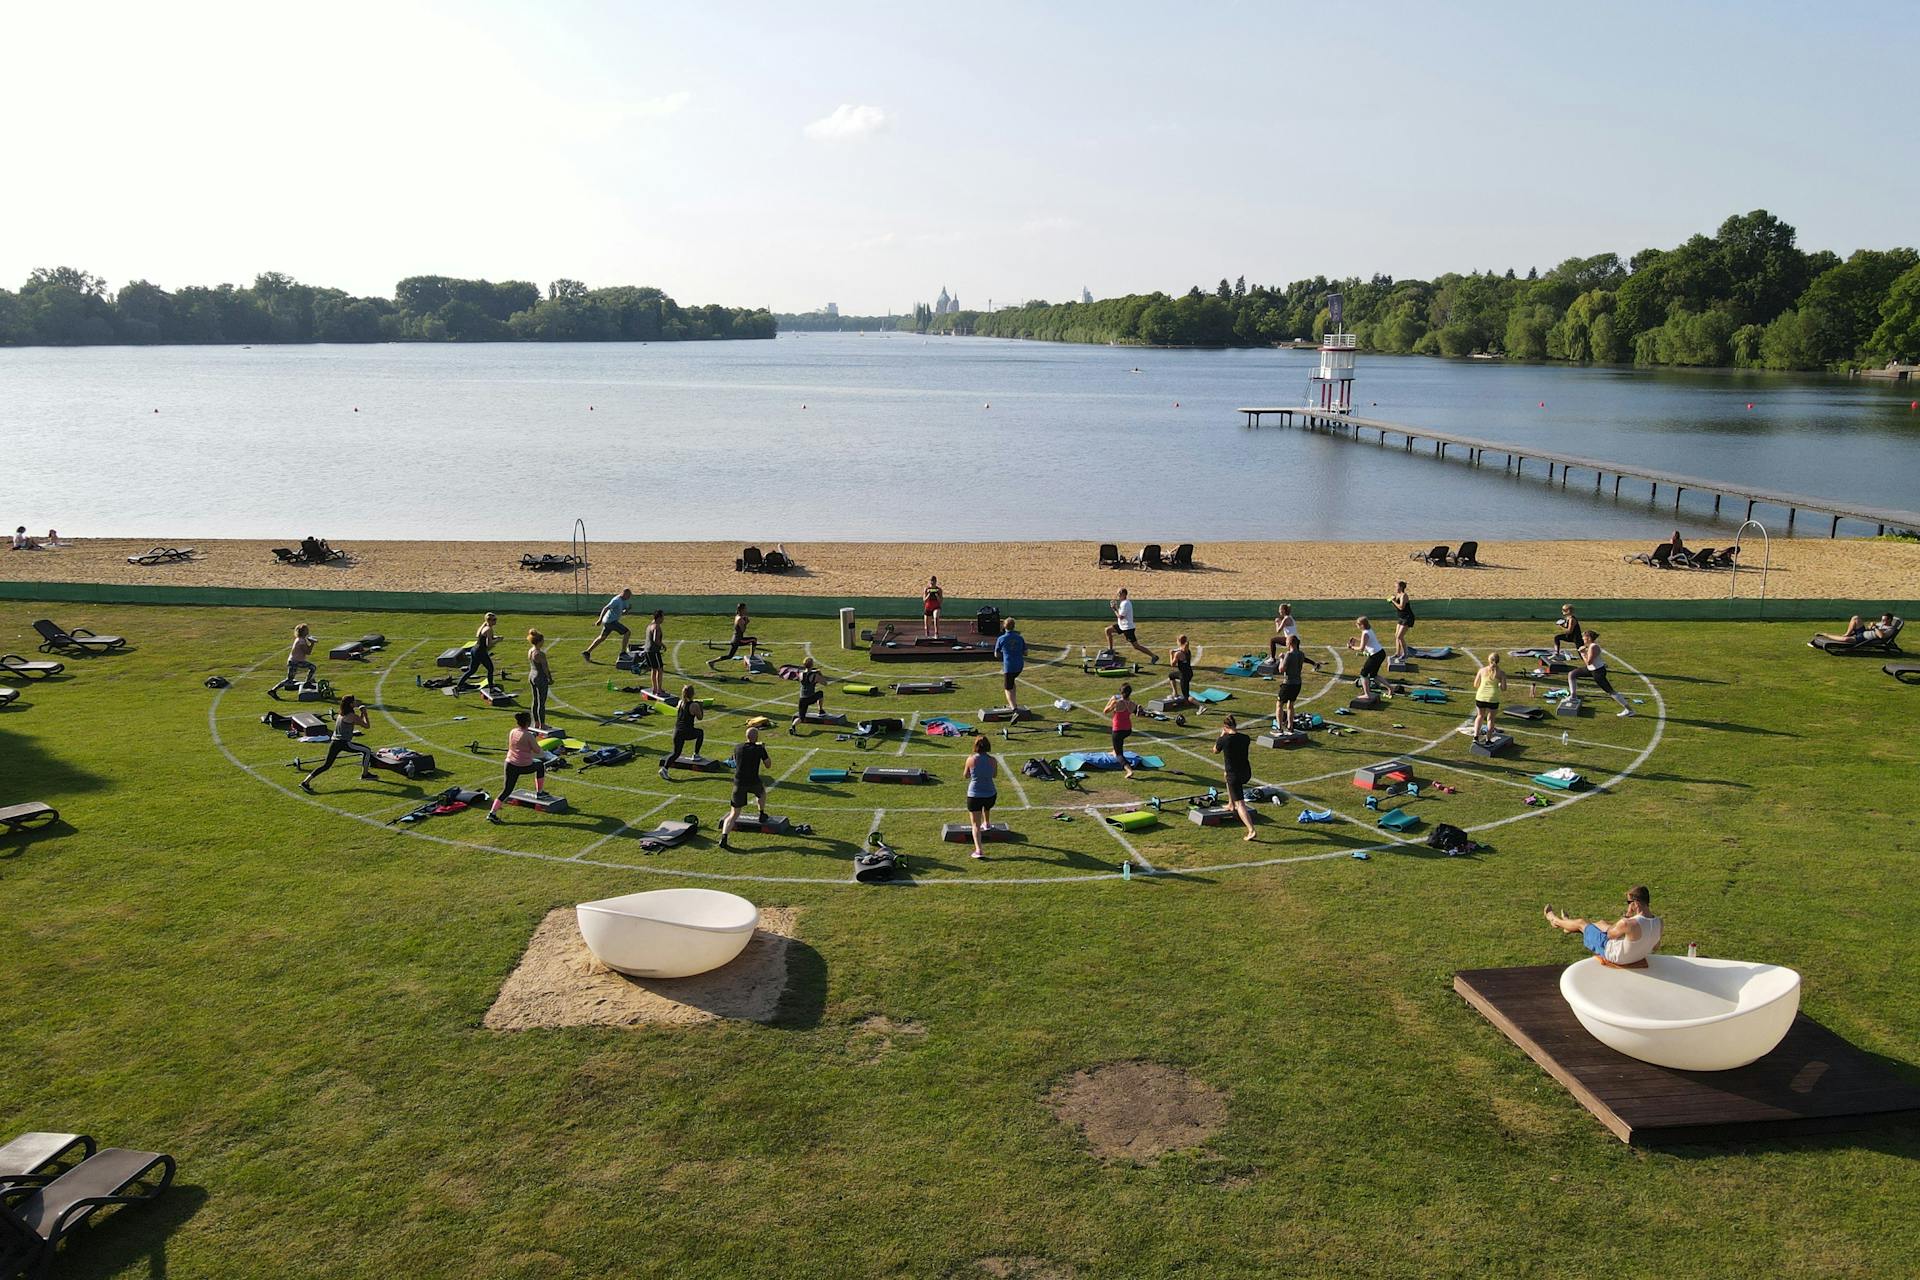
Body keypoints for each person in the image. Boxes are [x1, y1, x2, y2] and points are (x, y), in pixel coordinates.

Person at [1544, 887, 1663, 968]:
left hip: (1613, 954)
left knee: (1581, 923)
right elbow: (1655, 947)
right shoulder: (1659, 922)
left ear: (1636, 904)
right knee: (1601, 923)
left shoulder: (1628, 923)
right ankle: (1568, 925)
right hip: (1636, 955)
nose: (1628, 905)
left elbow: (1609, 935)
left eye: (1628, 902)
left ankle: (1554, 920)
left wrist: (1627, 916)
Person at [300, 695, 376, 792]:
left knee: (326, 765)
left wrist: (360, 714)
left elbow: (356, 722)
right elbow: (366, 726)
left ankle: (305, 782)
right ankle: (365, 775)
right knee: (367, 751)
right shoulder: (352, 716)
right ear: (351, 704)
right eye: (354, 701)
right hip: (344, 743)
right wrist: (365, 713)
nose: (356, 702)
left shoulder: (341, 714)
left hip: (335, 742)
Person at [486, 711, 546, 823]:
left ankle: (492, 813)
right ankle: (540, 792)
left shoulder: (513, 731)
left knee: (506, 790)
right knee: (540, 765)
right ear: (528, 722)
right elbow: (538, 751)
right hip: (523, 765)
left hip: (510, 764)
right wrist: (534, 740)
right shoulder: (528, 736)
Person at [719, 727, 771, 850]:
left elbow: (735, 759)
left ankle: (724, 837)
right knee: (762, 793)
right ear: (756, 737)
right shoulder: (759, 749)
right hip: (753, 781)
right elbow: (768, 765)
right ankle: (761, 814)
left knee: (733, 814)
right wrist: (763, 749)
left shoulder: (737, 747)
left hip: (739, 782)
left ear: (746, 736)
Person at [1212, 715, 1258, 841]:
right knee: (1225, 774)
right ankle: (1230, 804)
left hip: (1235, 776)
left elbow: (1215, 750)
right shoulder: (1246, 738)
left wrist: (1221, 736)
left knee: (1241, 805)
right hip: (1246, 772)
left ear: (1225, 727)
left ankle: (1251, 830)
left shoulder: (1224, 740)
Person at [1568, 629, 1634, 716]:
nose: (1583, 640)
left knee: (1610, 691)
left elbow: (1588, 662)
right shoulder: (1590, 646)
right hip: (1591, 669)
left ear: (1588, 638)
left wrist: (1583, 653)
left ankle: (1629, 710)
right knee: (1572, 674)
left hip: (1597, 672)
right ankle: (1573, 696)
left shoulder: (1593, 647)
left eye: (1584, 638)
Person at [962, 735, 998, 859]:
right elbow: (994, 775)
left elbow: (965, 775)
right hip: (990, 793)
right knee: (987, 807)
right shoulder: (993, 760)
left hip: (974, 795)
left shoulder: (970, 759)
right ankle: (987, 823)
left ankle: (979, 850)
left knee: (975, 825)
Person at [1273, 634, 1319, 730]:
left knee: (1279, 704)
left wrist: (1281, 658)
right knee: (1290, 705)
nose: (1285, 643)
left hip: (1288, 683)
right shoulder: (1301, 654)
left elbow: (1281, 669)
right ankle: (1290, 726)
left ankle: (1279, 727)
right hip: (1297, 683)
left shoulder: (1289, 654)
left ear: (1290, 643)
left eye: (1286, 642)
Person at [661, 684, 705, 776]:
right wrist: (701, 706)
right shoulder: (694, 705)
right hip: (687, 732)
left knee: (676, 753)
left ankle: (664, 769)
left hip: (677, 731)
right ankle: (696, 754)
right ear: (693, 693)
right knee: (700, 733)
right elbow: (700, 717)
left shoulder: (680, 702)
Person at [581, 588, 633, 662]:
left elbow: (622, 612)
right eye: (628, 596)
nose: (629, 597)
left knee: (602, 637)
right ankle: (623, 653)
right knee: (627, 632)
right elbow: (605, 608)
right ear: (624, 594)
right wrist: (599, 620)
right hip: (611, 621)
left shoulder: (624, 601)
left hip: (609, 621)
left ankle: (587, 652)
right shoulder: (616, 600)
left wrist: (627, 610)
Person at [1103, 682, 1141, 779]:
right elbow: (1136, 712)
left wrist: (1111, 700)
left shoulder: (1117, 702)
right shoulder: (1133, 704)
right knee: (1118, 743)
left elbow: (1105, 711)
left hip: (1118, 730)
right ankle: (1114, 750)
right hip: (1128, 730)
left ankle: (1128, 770)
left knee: (1119, 754)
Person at [708, 603, 759, 670]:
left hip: (734, 639)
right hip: (739, 640)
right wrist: (746, 623)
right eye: (745, 608)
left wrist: (745, 619)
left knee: (729, 656)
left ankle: (711, 662)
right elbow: (742, 630)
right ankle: (752, 656)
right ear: (742, 609)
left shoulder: (737, 616)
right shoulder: (740, 619)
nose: (746, 610)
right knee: (754, 639)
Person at [1107, 588, 1154, 660]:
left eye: (1119, 594)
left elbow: (1121, 617)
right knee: (1108, 630)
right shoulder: (1123, 603)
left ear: (1124, 594)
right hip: (1122, 626)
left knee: (1136, 646)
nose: (1118, 595)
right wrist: (1116, 607)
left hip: (1127, 628)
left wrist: (1114, 609)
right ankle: (1110, 650)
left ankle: (1154, 656)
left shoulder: (1125, 603)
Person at [1471, 651, 1508, 744]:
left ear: (1489, 660)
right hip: (1493, 698)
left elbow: (1475, 684)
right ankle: (1488, 740)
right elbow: (1504, 688)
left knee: (1479, 716)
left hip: (1480, 697)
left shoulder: (1482, 670)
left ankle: (1475, 737)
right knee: (1491, 719)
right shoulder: (1501, 673)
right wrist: (1498, 684)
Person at [456, 612, 497, 690]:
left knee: (472, 670)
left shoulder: (484, 626)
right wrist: (498, 640)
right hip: (481, 652)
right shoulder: (489, 629)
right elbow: (489, 644)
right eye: (494, 619)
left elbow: (480, 636)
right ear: (490, 621)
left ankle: (460, 685)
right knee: (490, 669)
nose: (496, 621)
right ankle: (491, 688)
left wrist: (494, 638)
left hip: (475, 650)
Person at [1347, 616, 1386, 700]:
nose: (1356, 625)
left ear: (1361, 625)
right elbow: (1365, 640)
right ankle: (1390, 688)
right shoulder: (1368, 630)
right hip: (1381, 653)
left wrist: (1352, 647)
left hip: (1375, 655)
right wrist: (1355, 639)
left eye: (1357, 624)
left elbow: (1361, 648)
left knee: (1363, 674)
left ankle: (1367, 694)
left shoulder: (1365, 633)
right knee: (1374, 675)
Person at [992, 617, 1027, 711]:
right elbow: (1025, 653)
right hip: (1019, 666)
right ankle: (1013, 702)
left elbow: (996, 654)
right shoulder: (1020, 638)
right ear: (1014, 626)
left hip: (1009, 667)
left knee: (1007, 688)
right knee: (1012, 683)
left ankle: (1013, 709)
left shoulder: (1001, 638)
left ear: (1004, 626)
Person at [525, 629, 553, 731]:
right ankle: (542, 724)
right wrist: (550, 678)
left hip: (532, 675)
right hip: (540, 677)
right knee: (542, 702)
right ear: (539, 641)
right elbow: (545, 668)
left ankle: (536, 722)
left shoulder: (530, 651)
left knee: (535, 700)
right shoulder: (540, 654)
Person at [790, 657, 824, 732]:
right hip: (810, 697)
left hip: (802, 699)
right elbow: (825, 683)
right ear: (812, 665)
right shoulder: (815, 675)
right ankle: (821, 710)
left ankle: (793, 726)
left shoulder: (801, 674)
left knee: (801, 718)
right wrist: (819, 674)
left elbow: (806, 674)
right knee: (820, 693)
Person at [1389, 582, 1415, 661]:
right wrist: (1392, 601)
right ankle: (1397, 653)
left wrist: (1393, 601)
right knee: (1396, 636)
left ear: (1401, 587)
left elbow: (1401, 607)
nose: (1395, 588)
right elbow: (1397, 607)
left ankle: (1405, 654)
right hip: (1401, 617)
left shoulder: (1404, 595)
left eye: (1396, 586)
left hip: (1407, 618)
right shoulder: (1397, 595)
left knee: (1400, 637)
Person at [285, 624, 317, 688]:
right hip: (295, 661)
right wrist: (312, 643)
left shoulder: (301, 639)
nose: (308, 631)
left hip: (295, 661)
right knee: (312, 667)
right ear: (302, 632)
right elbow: (308, 652)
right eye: (306, 630)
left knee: (289, 680)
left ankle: (309, 681)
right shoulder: (301, 641)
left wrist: (310, 642)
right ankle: (307, 682)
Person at [643, 609, 666, 697]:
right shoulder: (656, 627)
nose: (663, 619)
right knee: (660, 669)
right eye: (663, 617)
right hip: (654, 651)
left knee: (654, 669)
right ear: (659, 617)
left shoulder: (649, 625)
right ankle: (659, 690)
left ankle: (654, 688)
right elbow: (655, 639)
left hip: (647, 651)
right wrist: (662, 645)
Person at [1168, 634, 1194, 701]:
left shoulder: (1178, 654)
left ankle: (1201, 706)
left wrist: (1171, 654)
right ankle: (1175, 693)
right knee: (1171, 675)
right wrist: (1174, 651)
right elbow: (1179, 649)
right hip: (1189, 673)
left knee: (1186, 696)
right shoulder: (1188, 650)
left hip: (1183, 675)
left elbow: (1172, 664)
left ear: (1178, 642)